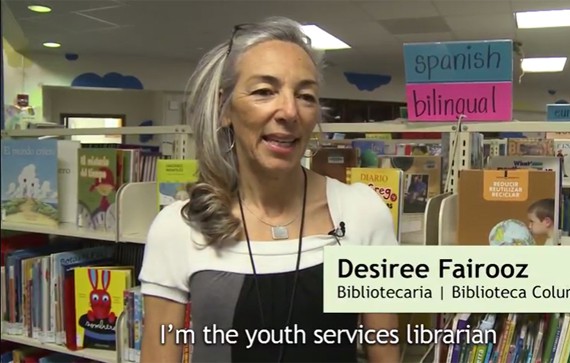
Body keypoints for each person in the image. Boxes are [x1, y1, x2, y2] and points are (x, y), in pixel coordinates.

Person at [138, 16, 400, 363]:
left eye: (305, 96)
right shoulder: (178, 227)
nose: (289, 111)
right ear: (223, 109)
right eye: (264, 91)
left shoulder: (362, 212)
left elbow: (385, 354)